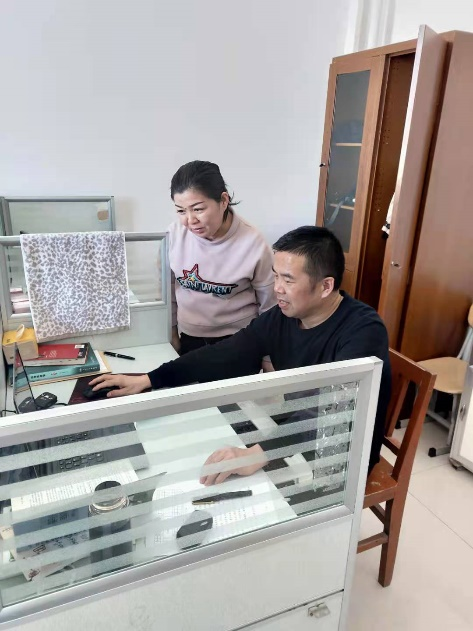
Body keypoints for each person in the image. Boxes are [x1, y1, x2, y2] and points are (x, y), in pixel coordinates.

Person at [90, 226, 391, 484]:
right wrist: (150, 379)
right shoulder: (283, 317)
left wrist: (257, 454)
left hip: (341, 452)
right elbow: (227, 353)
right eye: (275, 277)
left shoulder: (363, 331)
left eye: (288, 280)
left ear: (326, 286)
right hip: (297, 433)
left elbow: (333, 411)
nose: (277, 289)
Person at [166, 160, 275, 356]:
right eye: (181, 211)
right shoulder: (174, 235)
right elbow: (167, 291)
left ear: (223, 201)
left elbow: (269, 306)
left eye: (198, 209)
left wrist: (267, 354)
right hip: (189, 337)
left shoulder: (253, 242)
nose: (190, 220)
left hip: (239, 340)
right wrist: (171, 332)